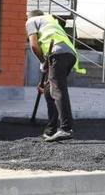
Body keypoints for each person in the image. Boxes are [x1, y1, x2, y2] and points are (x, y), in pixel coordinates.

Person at [26, 10, 85, 142]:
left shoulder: (31, 21)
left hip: (57, 53)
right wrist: (46, 80)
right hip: (69, 55)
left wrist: (42, 62)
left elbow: (34, 45)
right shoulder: (50, 21)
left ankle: (65, 129)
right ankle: (50, 130)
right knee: (48, 91)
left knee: (57, 90)